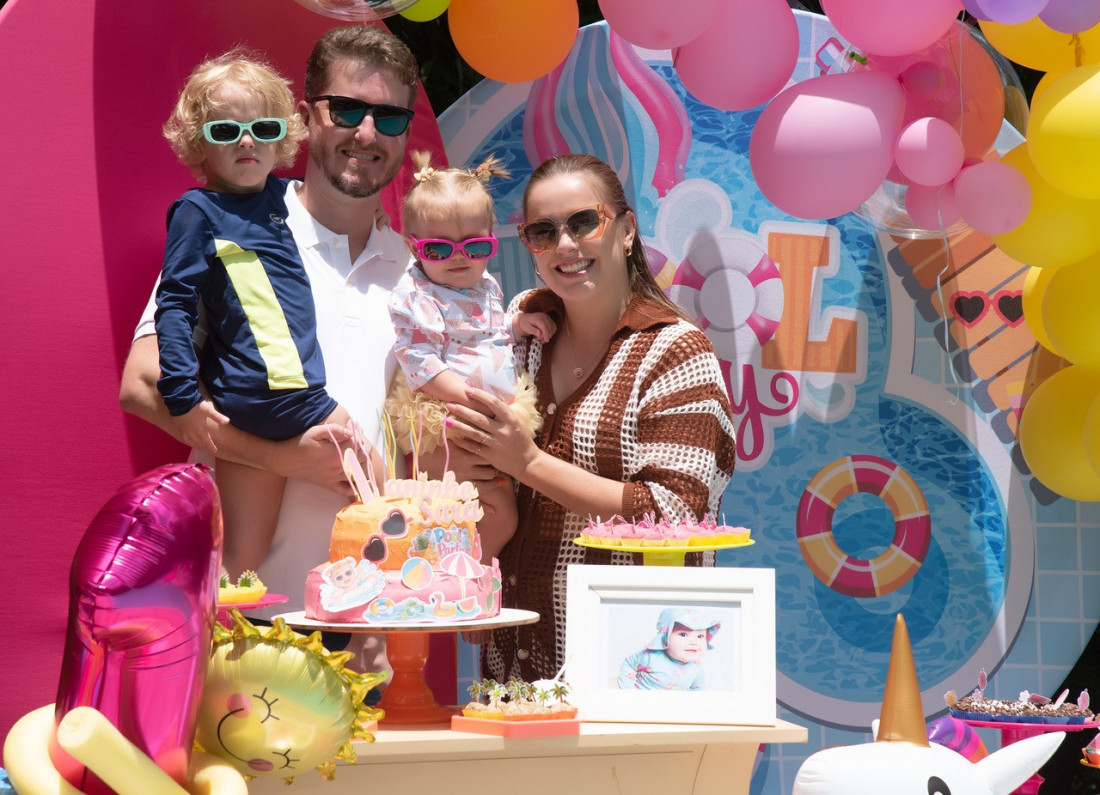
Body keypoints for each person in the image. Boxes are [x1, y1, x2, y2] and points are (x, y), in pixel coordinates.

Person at [119, 29, 490, 674]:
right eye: (347, 109)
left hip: (371, 620)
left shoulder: (418, 271)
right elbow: (142, 386)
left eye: (390, 116)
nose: (367, 133)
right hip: (240, 617)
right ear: (306, 117)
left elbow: (426, 437)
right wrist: (283, 458)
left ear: (406, 135)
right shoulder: (235, 224)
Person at [443, 154, 738, 682]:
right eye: (543, 231)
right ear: (529, 246)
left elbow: (674, 514)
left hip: (635, 667)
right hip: (515, 663)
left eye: (584, 222)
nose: (566, 245)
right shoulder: (514, 342)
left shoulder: (676, 351)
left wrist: (529, 462)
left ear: (626, 231)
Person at [155, 50, 350, 578]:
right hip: (268, 396)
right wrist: (182, 398)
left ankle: (192, 642)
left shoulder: (284, 199)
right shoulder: (198, 211)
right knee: (370, 485)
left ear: (283, 137)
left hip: (281, 396)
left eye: (262, 128)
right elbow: (172, 304)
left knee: (242, 557)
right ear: (199, 143)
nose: (247, 141)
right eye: (226, 131)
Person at [386, 150, 555, 562]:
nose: (459, 257)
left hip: (489, 415)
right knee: (455, 507)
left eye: (476, 246)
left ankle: (477, 572)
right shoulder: (416, 295)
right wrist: (467, 400)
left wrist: (519, 326)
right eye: (439, 250)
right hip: (446, 416)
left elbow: (491, 336)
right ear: (413, 246)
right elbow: (420, 362)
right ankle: (458, 574)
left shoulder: (488, 288)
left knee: (499, 512)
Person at [618, 608, 721, 691]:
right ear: (665, 637)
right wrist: (627, 692)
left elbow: (699, 692)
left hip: (669, 709)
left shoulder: (697, 666)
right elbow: (629, 663)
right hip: (641, 703)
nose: (694, 642)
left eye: (700, 636)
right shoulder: (651, 656)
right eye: (683, 634)